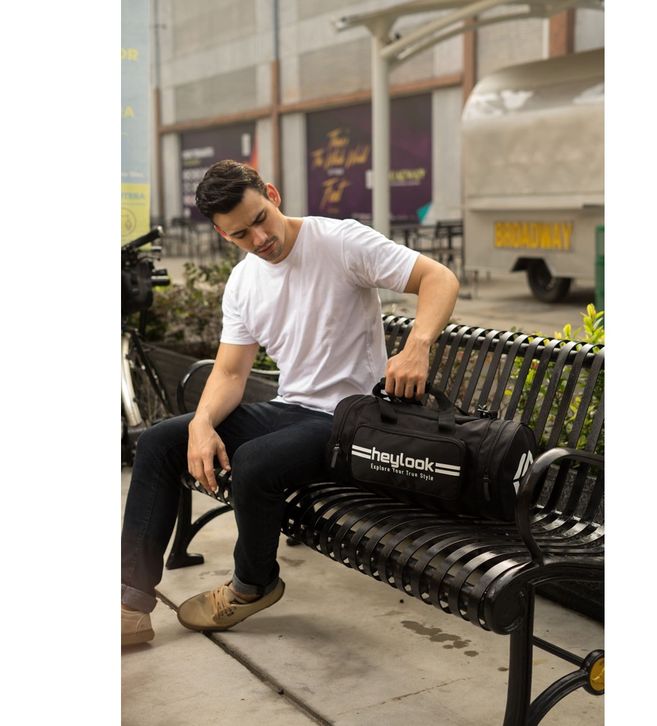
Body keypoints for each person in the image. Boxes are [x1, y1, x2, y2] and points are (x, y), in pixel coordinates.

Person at [121, 160, 459, 646]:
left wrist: (417, 346)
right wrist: (201, 422)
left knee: (255, 461)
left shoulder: (340, 242)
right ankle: (130, 605)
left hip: (355, 419)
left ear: (273, 195)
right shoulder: (244, 282)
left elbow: (438, 278)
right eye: (241, 234)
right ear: (222, 234)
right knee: (159, 442)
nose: (259, 239)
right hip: (292, 409)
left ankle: (252, 584)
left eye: (260, 219)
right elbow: (231, 372)